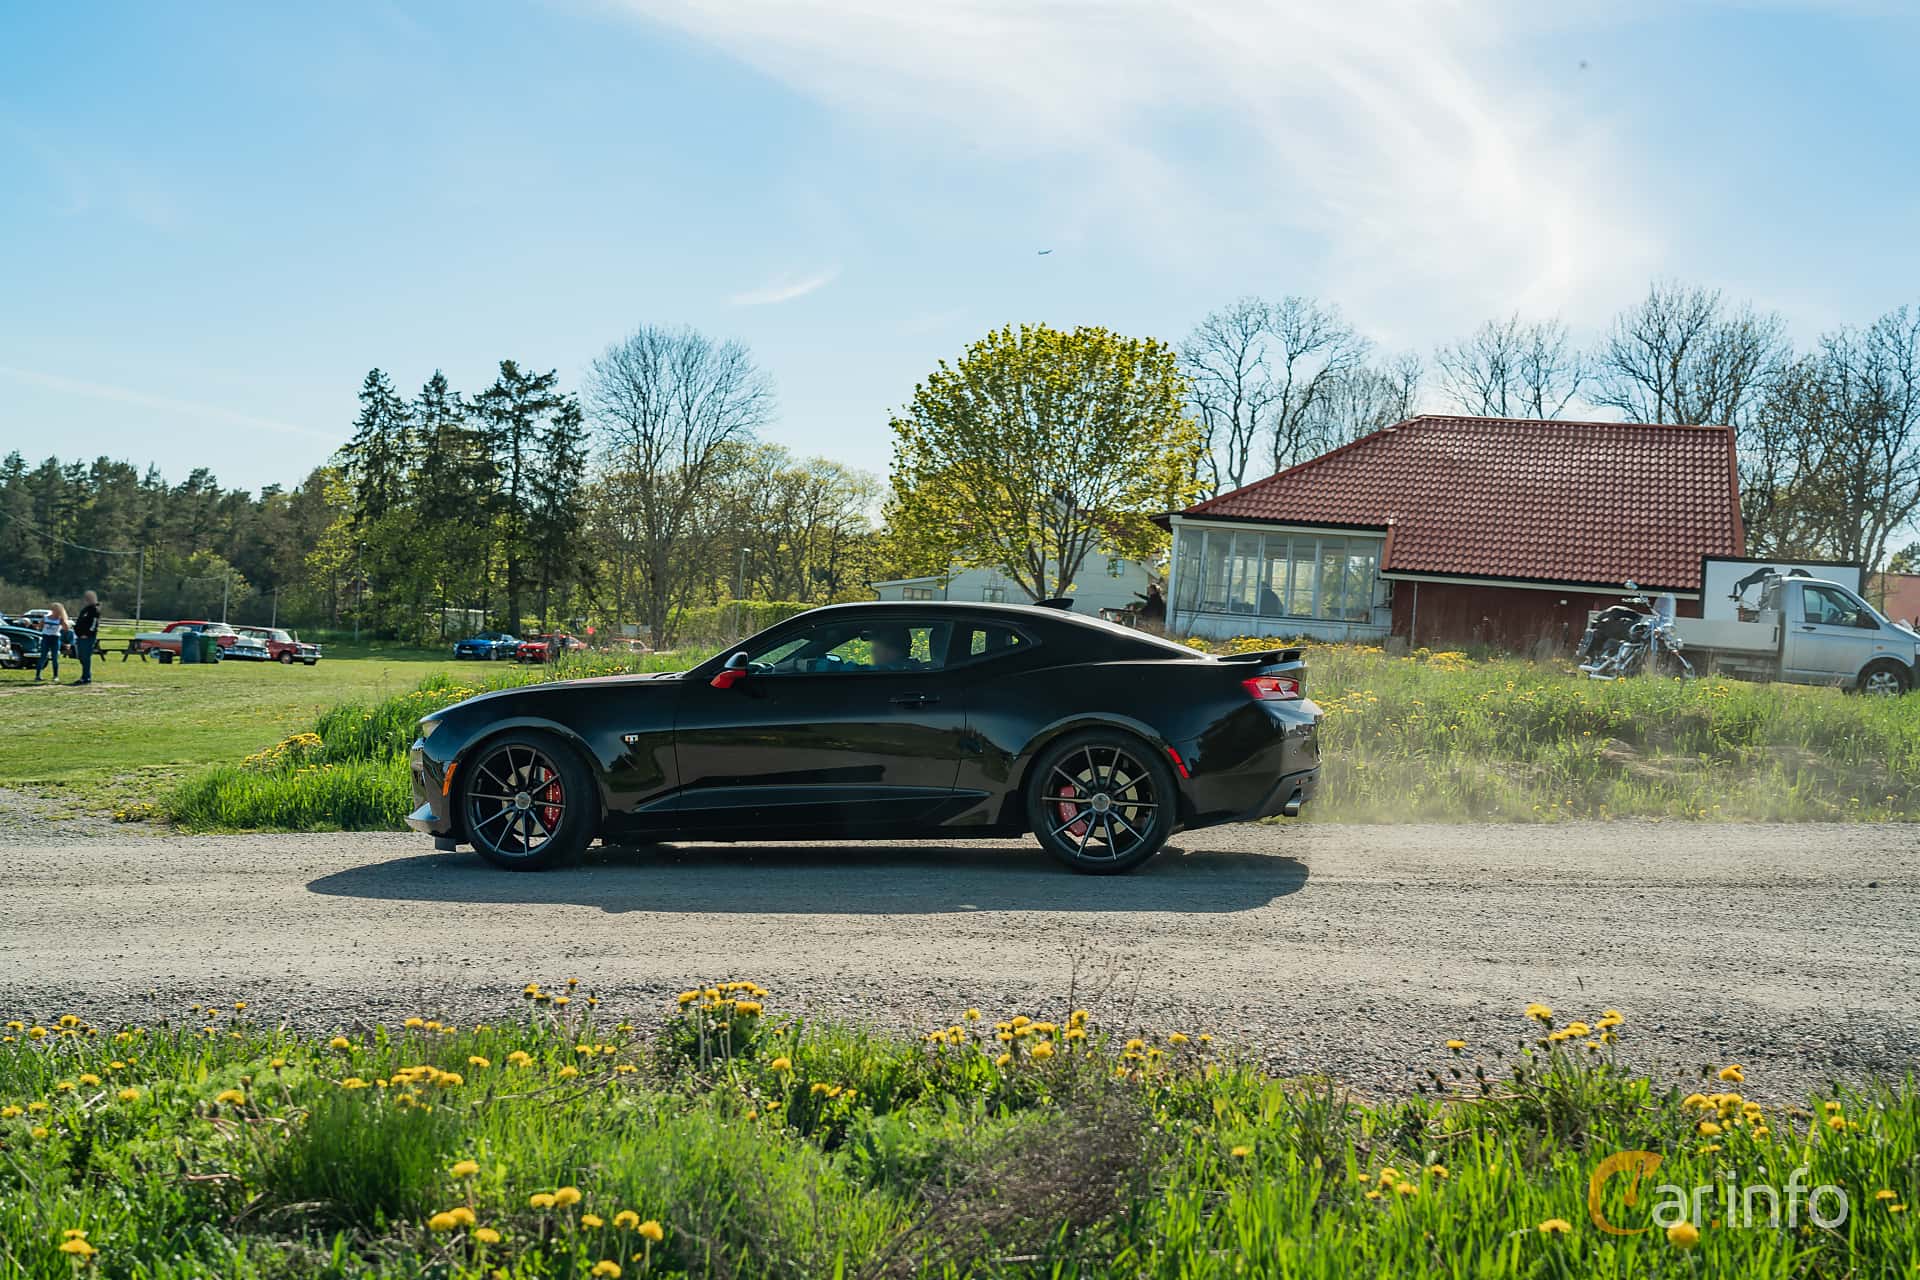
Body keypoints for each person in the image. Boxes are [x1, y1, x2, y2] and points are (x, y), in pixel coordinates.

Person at [33, 604, 67, 683]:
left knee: (55, 657)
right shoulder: (46, 618)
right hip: (46, 637)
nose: (56, 612)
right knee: (43, 656)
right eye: (54, 610)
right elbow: (40, 626)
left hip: (55, 638)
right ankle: (38, 675)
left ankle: (55, 676)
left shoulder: (60, 619)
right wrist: (37, 625)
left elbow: (66, 628)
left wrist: (64, 622)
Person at [72, 590, 100, 685]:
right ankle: (84, 675)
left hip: (88, 637)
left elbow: (94, 624)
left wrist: (87, 634)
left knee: (86, 657)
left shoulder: (95, 610)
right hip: (80, 636)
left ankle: (86, 677)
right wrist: (76, 631)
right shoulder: (84, 610)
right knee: (81, 656)